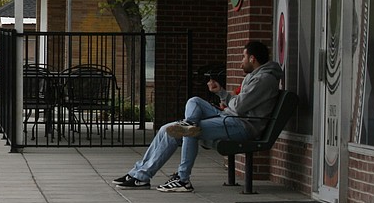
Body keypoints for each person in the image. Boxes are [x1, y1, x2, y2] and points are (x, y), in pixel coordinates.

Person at [113, 40, 283, 193]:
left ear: (252, 58)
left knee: (186, 132)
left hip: (242, 125)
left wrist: (224, 96)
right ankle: (139, 174)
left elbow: (239, 107)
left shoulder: (264, 80)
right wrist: (221, 93)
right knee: (187, 109)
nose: (241, 62)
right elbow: (238, 104)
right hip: (230, 117)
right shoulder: (254, 77)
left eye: (243, 57)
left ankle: (182, 179)